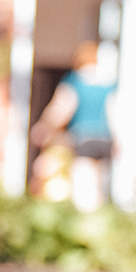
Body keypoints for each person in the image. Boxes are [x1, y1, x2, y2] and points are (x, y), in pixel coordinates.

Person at [30, 41, 117, 213]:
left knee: (84, 185)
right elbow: (113, 112)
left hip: (83, 136)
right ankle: (99, 218)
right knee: (100, 185)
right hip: (105, 138)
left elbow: (62, 108)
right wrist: (116, 140)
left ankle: (85, 224)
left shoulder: (75, 81)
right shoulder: (108, 84)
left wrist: (45, 126)